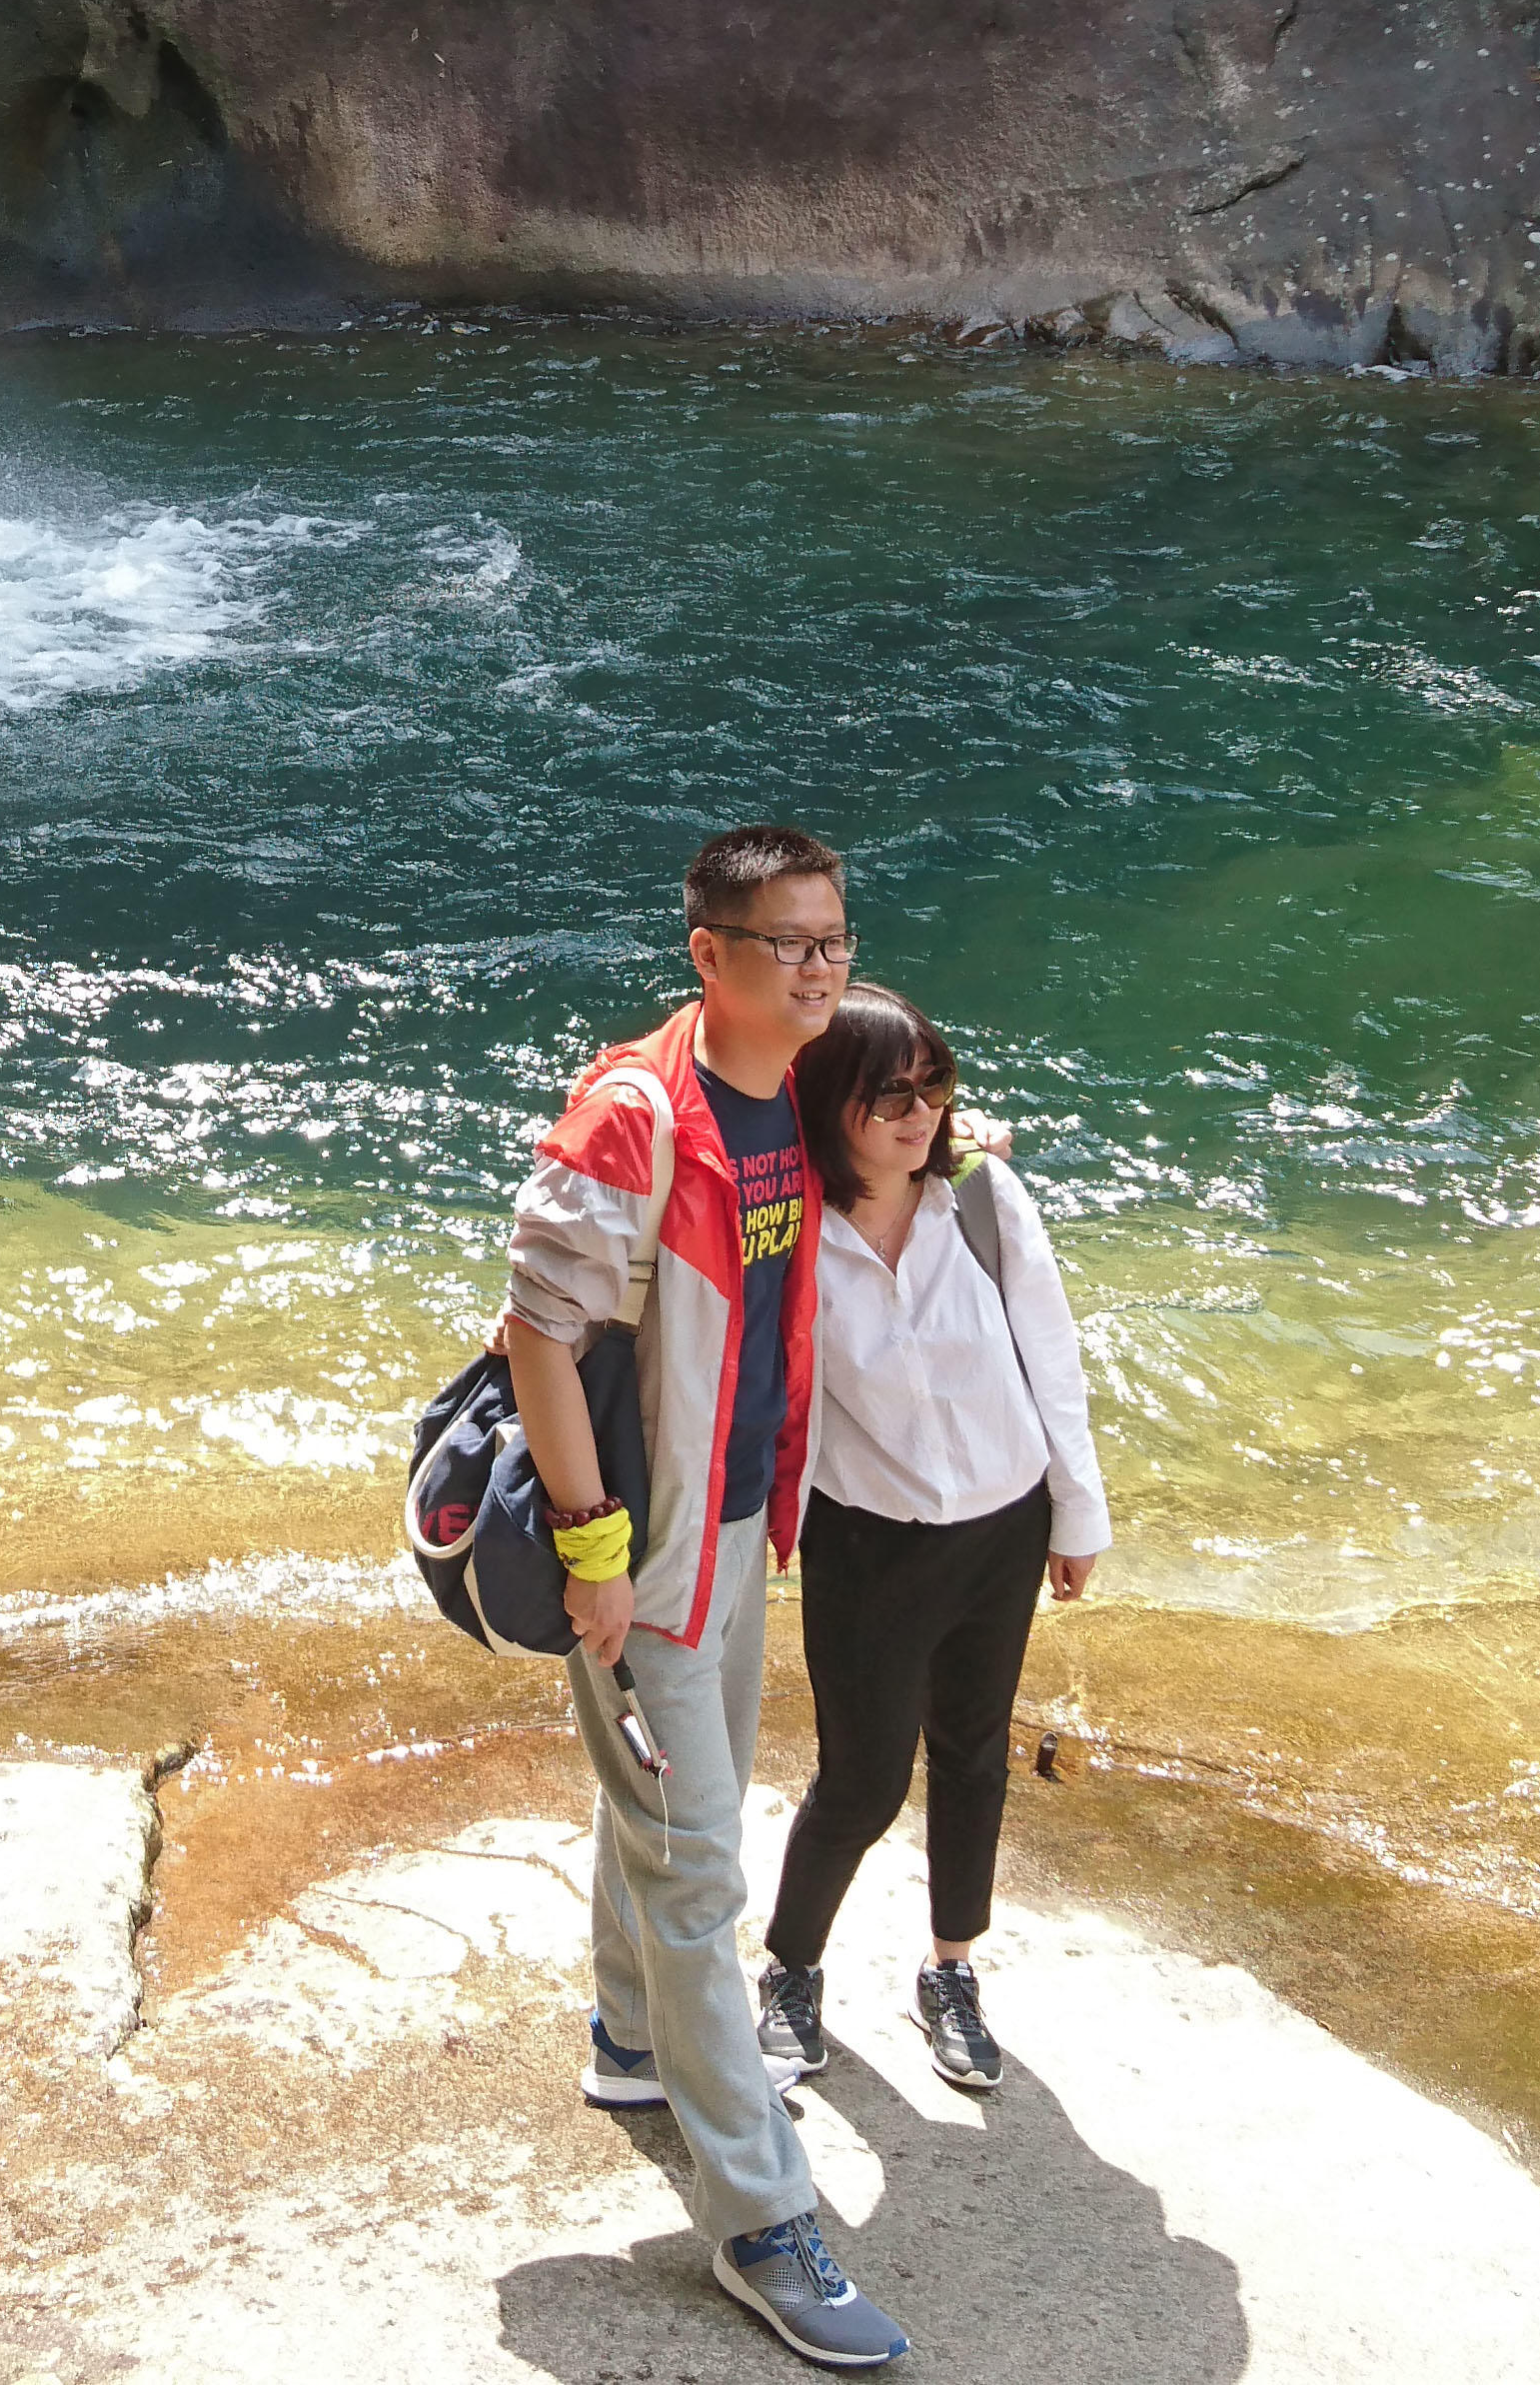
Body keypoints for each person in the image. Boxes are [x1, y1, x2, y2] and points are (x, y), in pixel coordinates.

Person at [499, 826, 910, 2371]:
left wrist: (957, 1151)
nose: (819, 966)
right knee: (697, 1865)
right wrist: (593, 1552)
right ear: (709, 954)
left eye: (834, 938)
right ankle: (760, 2218)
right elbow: (537, 1331)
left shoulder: (800, 1087)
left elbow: (900, 1119)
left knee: (678, 1807)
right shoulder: (635, 1115)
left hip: (742, 1523)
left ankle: (631, 2038)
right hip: (649, 1547)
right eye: (788, 942)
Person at [752, 987, 1107, 2100]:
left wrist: (1076, 1512)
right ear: (830, 1105)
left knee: (972, 1756)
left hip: (1001, 1526)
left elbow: (1052, 1359)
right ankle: (790, 1968)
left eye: (934, 1087)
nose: (921, 1115)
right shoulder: (792, 1232)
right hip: (867, 1542)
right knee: (860, 1780)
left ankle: (950, 1970)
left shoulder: (984, 1202)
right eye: (890, 1096)